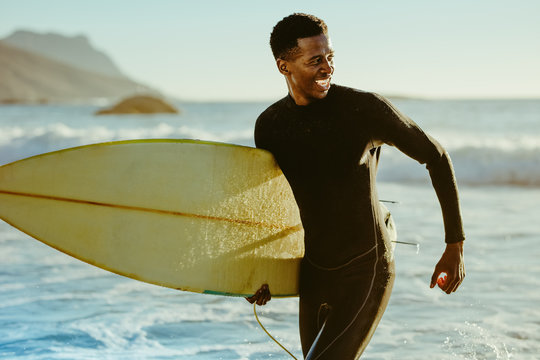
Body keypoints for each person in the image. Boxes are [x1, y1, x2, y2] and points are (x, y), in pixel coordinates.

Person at [246, 13, 466, 359]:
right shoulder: (271, 125)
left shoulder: (363, 110)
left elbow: (435, 157)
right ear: (283, 66)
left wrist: (455, 245)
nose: (328, 68)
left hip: (366, 266)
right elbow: (276, 205)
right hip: (315, 271)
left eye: (330, 57)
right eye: (315, 60)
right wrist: (260, 271)